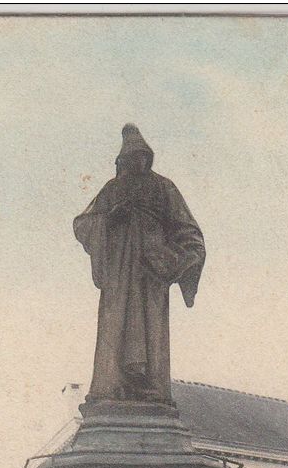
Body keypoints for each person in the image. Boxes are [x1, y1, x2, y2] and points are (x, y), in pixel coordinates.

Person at [73, 124, 205, 404]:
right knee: (116, 324)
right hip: (119, 274)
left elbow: (189, 233)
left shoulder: (163, 187)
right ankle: (112, 387)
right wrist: (109, 219)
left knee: (150, 327)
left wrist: (172, 259)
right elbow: (83, 223)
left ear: (148, 157)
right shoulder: (112, 189)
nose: (137, 161)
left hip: (150, 273)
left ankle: (151, 387)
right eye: (131, 156)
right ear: (122, 160)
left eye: (141, 156)